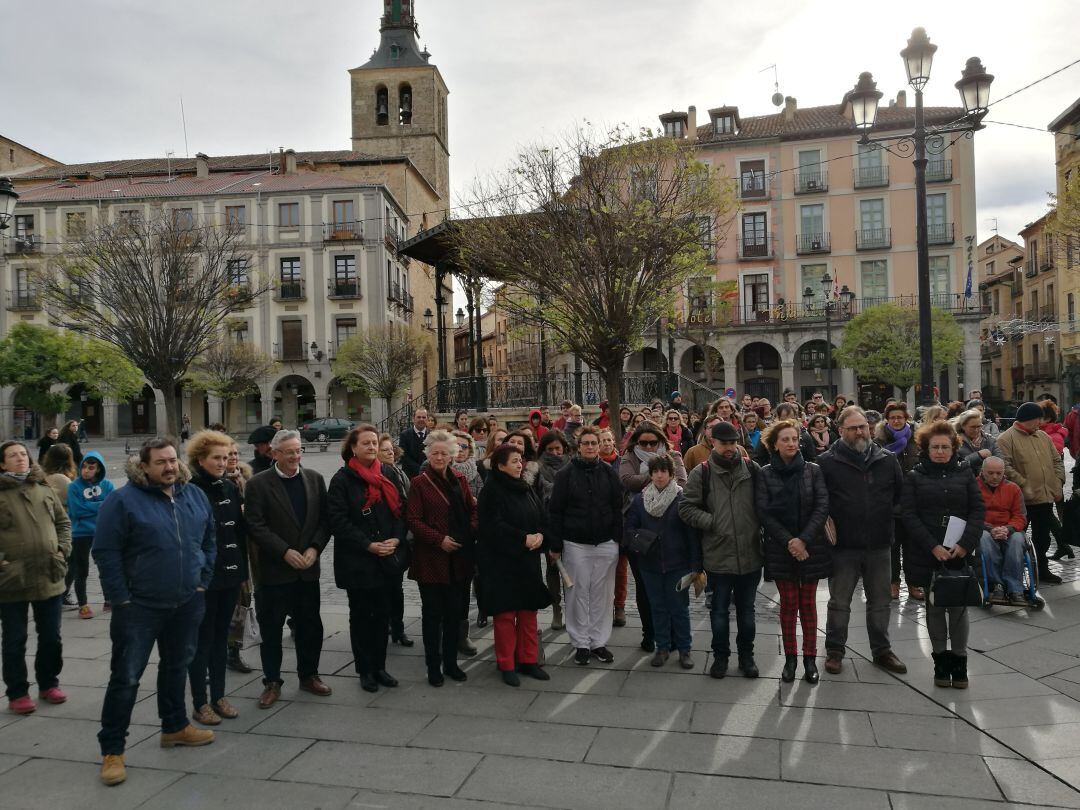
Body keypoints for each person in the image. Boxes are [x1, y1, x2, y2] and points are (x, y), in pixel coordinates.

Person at [93, 438, 216, 786]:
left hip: (187, 600)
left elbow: (208, 539)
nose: (169, 467)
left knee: (177, 666)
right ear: (143, 466)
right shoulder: (122, 501)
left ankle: (175, 726)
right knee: (126, 677)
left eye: (173, 460)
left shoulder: (193, 494)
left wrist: (202, 579)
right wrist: (121, 598)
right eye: (161, 462)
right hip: (139, 607)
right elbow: (106, 551)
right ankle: (112, 749)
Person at [817, 406, 907, 676]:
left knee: (880, 601)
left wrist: (889, 524)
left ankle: (882, 650)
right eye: (853, 428)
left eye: (863, 427)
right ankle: (834, 650)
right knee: (839, 602)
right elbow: (821, 504)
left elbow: (899, 498)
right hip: (844, 546)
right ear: (840, 430)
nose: (860, 432)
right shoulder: (826, 462)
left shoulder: (887, 459)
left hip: (879, 544)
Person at [245, 430, 332, 709]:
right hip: (274, 572)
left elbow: (325, 521)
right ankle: (272, 682)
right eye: (289, 452)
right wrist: (284, 552)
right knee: (271, 630)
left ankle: (309, 675)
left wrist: (314, 548)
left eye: (298, 451)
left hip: (307, 569)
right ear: (274, 454)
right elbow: (255, 525)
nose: (295, 456)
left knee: (310, 626)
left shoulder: (315, 479)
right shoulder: (258, 484)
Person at [900, 421, 984, 689]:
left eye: (945, 447)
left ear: (953, 448)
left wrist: (965, 543)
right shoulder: (914, 476)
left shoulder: (965, 472)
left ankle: (960, 663)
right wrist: (932, 546)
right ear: (926, 448)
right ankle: (940, 662)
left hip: (959, 551)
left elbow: (977, 510)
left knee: (958, 608)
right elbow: (909, 515)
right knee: (935, 607)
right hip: (928, 553)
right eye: (935, 447)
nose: (939, 451)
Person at [679, 422, 762, 679]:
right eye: (724, 443)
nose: (729, 448)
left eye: (732, 442)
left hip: (750, 554)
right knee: (719, 611)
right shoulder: (701, 473)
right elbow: (686, 508)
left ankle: (747, 657)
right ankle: (720, 657)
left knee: (747, 612)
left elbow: (765, 503)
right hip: (718, 554)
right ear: (712, 441)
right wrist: (713, 522)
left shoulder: (751, 468)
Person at [328, 425, 407, 693]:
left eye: (374, 443)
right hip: (358, 560)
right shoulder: (342, 479)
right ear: (353, 447)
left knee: (382, 614)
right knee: (361, 616)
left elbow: (400, 511)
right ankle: (365, 670)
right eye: (366, 443)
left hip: (386, 556)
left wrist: (396, 539)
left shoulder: (387, 473)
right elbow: (338, 521)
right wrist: (368, 545)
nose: (372, 447)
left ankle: (380, 666)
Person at [0, 440, 71, 720]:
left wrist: (63, 550)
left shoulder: (44, 489)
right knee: (15, 639)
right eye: (12, 456)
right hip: (11, 577)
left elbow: (63, 524)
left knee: (51, 635)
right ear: (2, 463)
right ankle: (17, 692)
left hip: (48, 572)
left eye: (23, 454)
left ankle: (49, 683)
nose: (20, 459)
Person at [755, 420, 831, 684]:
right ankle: (790, 658)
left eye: (794, 438)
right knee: (788, 604)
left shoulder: (813, 470)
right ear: (774, 444)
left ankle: (810, 658)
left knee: (808, 604)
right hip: (780, 548)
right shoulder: (765, 473)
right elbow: (764, 512)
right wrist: (790, 541)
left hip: (811, 547)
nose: (790, 443)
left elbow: (822, 505)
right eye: (784, 439)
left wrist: (804, 540)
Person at [184, 431, 248, 726]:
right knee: (202, 639)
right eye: (217, 458)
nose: (223, 463)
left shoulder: (229, 487)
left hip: (231, 574)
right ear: (201, 459)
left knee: (222, 637)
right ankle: (200, 701)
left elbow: (238, 534)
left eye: (226, 457)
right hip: (205, 578)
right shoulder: (190, 490)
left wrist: (243, 573)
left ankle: (219, 694)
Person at [406, 430, 478, 686]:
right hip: (431, 560)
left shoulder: (460, 478)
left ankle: (450, 663)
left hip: (458, 559)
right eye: (435, 453)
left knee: (453, 614)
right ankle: (433, 665)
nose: (439, 457)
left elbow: (473, 510)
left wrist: (468, 531)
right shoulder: (419, 482)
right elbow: (413, 519)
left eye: (444, 453)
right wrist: (439, 539)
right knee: (432, 616)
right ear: (428, 454)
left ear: (452, 455)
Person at [476, 443, 552, 686]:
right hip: (502, 562)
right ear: (500, 465)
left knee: (529, 611)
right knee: (506, 614)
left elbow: (539, 514)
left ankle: (529, 660)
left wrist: (540, 535)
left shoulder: (526, 487)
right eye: (514, 461)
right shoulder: (491, 490)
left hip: (527, 560)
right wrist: (522, 538)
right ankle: (507, 663)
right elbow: (492, 526)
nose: (520, 464)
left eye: (520, 460)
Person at [548, 426, 623, 666]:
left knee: (603, 595)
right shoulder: (565, 474)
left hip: (605, 542)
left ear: (600, 445)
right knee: (577, 593)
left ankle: (598, 642)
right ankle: (580, 642)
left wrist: (617, 538)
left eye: (594, 442)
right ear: (578, 447)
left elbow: (617, 507)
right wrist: (556, 543)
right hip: (575, 542)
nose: (591, 446)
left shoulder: (610, 473)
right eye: (586, 443)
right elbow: (556, 511)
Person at [624, 454, 700, 669]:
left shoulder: (681, 498)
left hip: (678, 564)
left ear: (671, 474)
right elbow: (629, 529)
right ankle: (662, 647)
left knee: (679, 608)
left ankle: (684, 649)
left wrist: (696, 565)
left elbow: (692, 535)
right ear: (650, 474)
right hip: (650, 564)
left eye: (663, 471)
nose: (659, 476)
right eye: (655, 471)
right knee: (657, 608)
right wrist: (641, 540)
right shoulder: (640, 500)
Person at [618, 422, 687, 648]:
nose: (647, 446)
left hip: (671, 531)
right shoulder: (629, 457)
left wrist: (650, 479)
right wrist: (660, 476)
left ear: (660, 441)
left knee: (673, 593)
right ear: (636, 442)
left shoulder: (674, 455)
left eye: (652, 442)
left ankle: (674, 637)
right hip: (641, 530)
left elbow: (682, 483)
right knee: (645, 588)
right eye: (643, 442)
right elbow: (627, 481)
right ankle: (650, 633)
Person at [997, 401, 1066, 584]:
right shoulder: (1006, 439)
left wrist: (1057, 482)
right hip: (1022, 501)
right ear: (1030, 419)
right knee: (1015, 539)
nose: (1041, 423)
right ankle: (1014, 573)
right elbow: (1005, 467)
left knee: (1042, 538)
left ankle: (1042, 569)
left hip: (1045, 498)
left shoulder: (1043, 436)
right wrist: (1023, 484)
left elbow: (1056, 461)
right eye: (1038, 419)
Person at [876, 402, 921, 601]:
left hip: (913, 499)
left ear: (906, 419)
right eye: (893, 417)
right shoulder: (879, 441)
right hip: (889, 501)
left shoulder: (917, 440)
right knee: (892, 547)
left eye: (900, 417)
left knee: (913, 547)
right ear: (887, 419)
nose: (896, 421)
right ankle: (893, 583)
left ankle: (913, 583)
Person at [66, 452, 114, 619]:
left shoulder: (107, 485)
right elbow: (76, 510)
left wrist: (89, 506)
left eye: (91, 467)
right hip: (80, 533)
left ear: (98, 468)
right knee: (82, 570)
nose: (86, 470)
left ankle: (109, 599)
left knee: (105, 567)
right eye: (84, 467)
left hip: (101, 531)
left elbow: (111, 507)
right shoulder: (74, 487)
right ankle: (83, 604)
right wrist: (100, 505)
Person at [377, 432, 414, 648]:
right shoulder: (380, 475)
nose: (390, 453)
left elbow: (406, 501)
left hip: (399, 537)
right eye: (385, 450)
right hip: (384, 538)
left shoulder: (399, 472)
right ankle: (387, 627)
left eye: (391, 449)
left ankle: (398, 628)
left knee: (396, 589)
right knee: (385, 589)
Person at [977, 457, 1028, 603]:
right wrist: (990, 528)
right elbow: (970, 515)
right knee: (984, 539)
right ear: (982, 472)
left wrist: (1008, 529)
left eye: (999, 473)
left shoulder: (1013, 488)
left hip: (1008, 529)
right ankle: (997, 584)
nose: (995, 477)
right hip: (985, 529)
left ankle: (1015, 588)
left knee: (1018, 540)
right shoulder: (973, 487)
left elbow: (1020, 516)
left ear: (1004, 472)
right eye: (991, 473)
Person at [223, 442, 255, 673]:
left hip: (243, 549)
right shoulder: (214, 483)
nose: (233, 457)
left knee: (243, 600)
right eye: (228, 454)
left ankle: (233, 651)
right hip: (223, 551)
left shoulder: (245, 480)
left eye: (235, 453)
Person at [954, 408, 1001, 477]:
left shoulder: (990, 441)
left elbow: (1000, 462)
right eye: (972, 427)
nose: (976, 430)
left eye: (979, 426)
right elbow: (956, 466)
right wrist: (978, 455)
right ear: (963, 426)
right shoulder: (955, 442)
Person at [398, 408, 430, 479]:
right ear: (413, 419)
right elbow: (403, 455)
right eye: (418, 417)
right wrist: (420, 469)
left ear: (427, 419)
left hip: (428, 475)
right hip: (410, 475)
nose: (421, 419)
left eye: (424, 417)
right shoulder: (404, 435)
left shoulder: (432, 435)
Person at [451, 431, 483, 497]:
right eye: (456, 446)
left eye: (464, 447)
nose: (460, 450)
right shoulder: (441, 469)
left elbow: (482, 498)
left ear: (469, 450)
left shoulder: (475, 473)